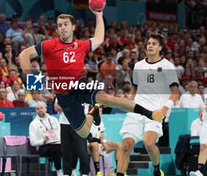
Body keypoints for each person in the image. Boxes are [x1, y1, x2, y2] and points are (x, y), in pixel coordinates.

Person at [19, 10, 163, 140]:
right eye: (60, 25)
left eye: (65, 24)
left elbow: (99, 38)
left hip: (80, 85)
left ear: (73, 27)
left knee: (106, 98)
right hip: (64, 97)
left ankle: (149, 113)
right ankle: (92, 112)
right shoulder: (49, 45)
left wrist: (99, 14)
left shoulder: (80, 45)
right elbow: (24, 55)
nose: (62, 27)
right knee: (83, 133)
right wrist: (34, 83)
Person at [107, 33, 180, 176]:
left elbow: (176, 91)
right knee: (126, 146)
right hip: (136, 111)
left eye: (154, 43)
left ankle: (156, 174)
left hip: (155, 112)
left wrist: (164, 109)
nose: (150, 46)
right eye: (148, 43)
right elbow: (135, 87)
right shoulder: (139, 65)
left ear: (160, 47)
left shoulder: (167, 65)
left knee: (148, 143)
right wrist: (130, 101)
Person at [54, 100, 89, 176]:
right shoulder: (62, 91)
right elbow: (56, 107)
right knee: (65, 149)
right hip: (64, 123)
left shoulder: (82, 91)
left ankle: (84, 174)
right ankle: (67, 174)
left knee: (82, 149)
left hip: (79, 124)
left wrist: (66, 105)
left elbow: (83, 107)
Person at [29, 103, 63, 176]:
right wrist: (42, 141)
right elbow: (32, 142)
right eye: (38, 109)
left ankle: (71, 172)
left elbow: (61, 133)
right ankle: (59, 172)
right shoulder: (33, 124)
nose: (40, 110)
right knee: (56, 148)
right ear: (36, 111)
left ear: (46, 109)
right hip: (43, 147)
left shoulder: (54, 119)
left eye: (41, 108)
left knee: (70, 147)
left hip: (58, 143)